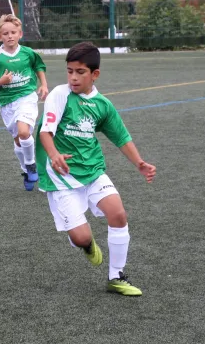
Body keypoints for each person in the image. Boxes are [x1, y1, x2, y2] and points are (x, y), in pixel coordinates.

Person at [35, 42, 156, 296]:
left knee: (118, 214)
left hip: (93, 170)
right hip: (63, 177)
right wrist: (54, 154)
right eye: (69, 71)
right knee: (80, 238)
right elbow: (45, 131)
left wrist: (139, 163)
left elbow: (120, 137)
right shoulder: (60, 94)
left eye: (80, 72)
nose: (73, 78)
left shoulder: (103, 105)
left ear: (95, 74)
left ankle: (117, 276)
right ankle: (85, 243)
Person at [0, 14, 49, 191]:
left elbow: (39, 67)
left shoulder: (28, 53)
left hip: (27, 97)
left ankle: (31, 164)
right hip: (7, 103)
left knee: (23, 132)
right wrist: (0, 82)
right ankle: (26, 169)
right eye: (5, 33)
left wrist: (43, 84)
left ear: (20, 34)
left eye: (13, 32)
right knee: (18, 141)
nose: (10, 36)